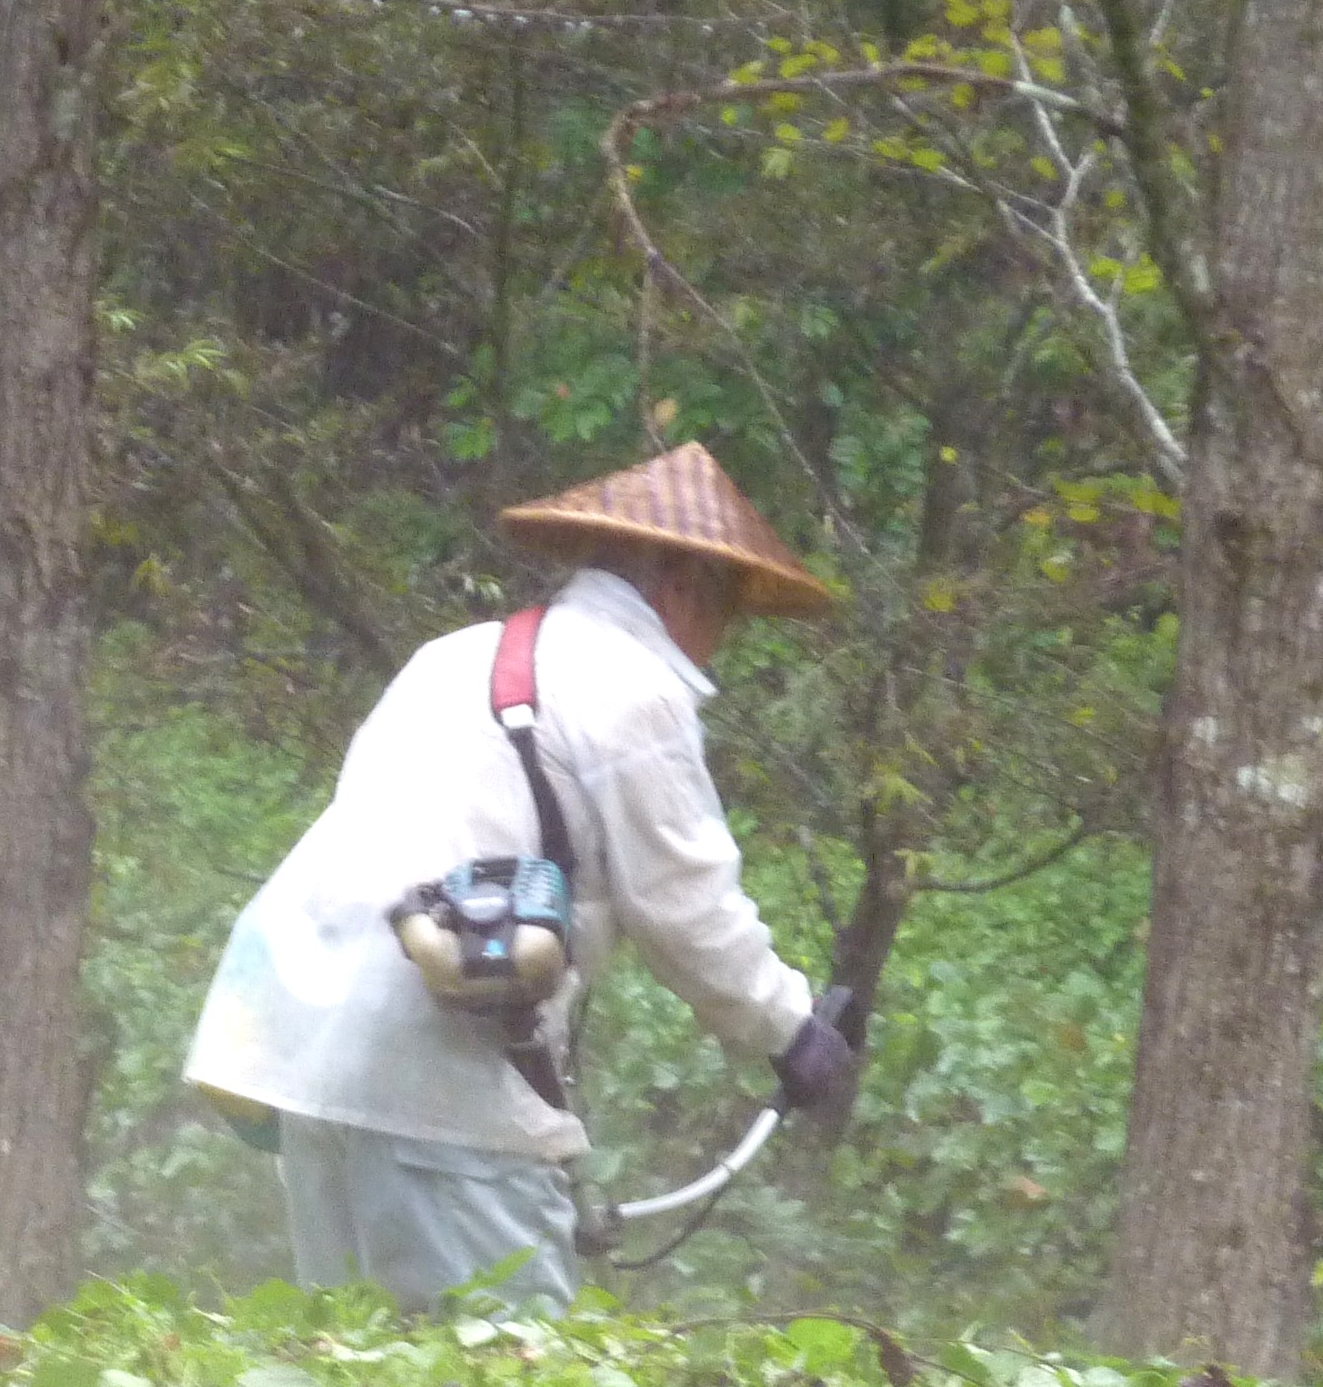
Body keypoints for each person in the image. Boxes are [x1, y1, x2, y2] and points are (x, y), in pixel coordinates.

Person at [186, 444, 857, 1316]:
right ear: (685, 581)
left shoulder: (452, 657)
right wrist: (792, 1030)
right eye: (727, 605)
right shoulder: (634, 692)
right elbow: (688, 910)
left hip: (311, 1070)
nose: (722, 634)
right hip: (442, 1094)